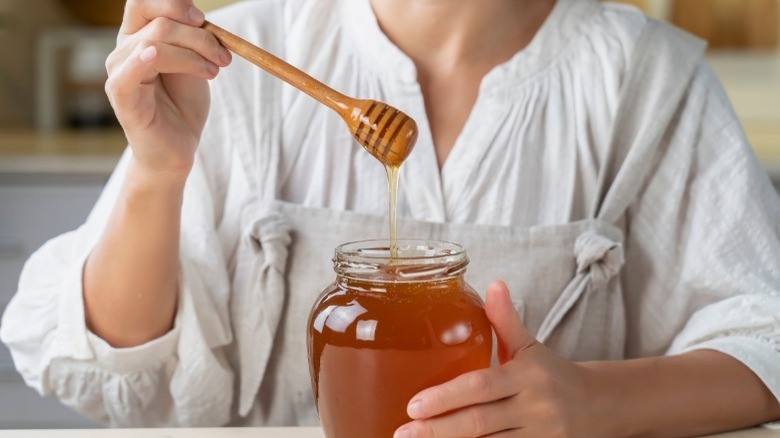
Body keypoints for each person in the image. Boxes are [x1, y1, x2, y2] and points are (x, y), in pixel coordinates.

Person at [2, 0, 779, 435]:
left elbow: (765, 338)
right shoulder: (240, 59)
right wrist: (157, 169)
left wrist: (595, 400)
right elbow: (107, 370)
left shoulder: (647, 82)